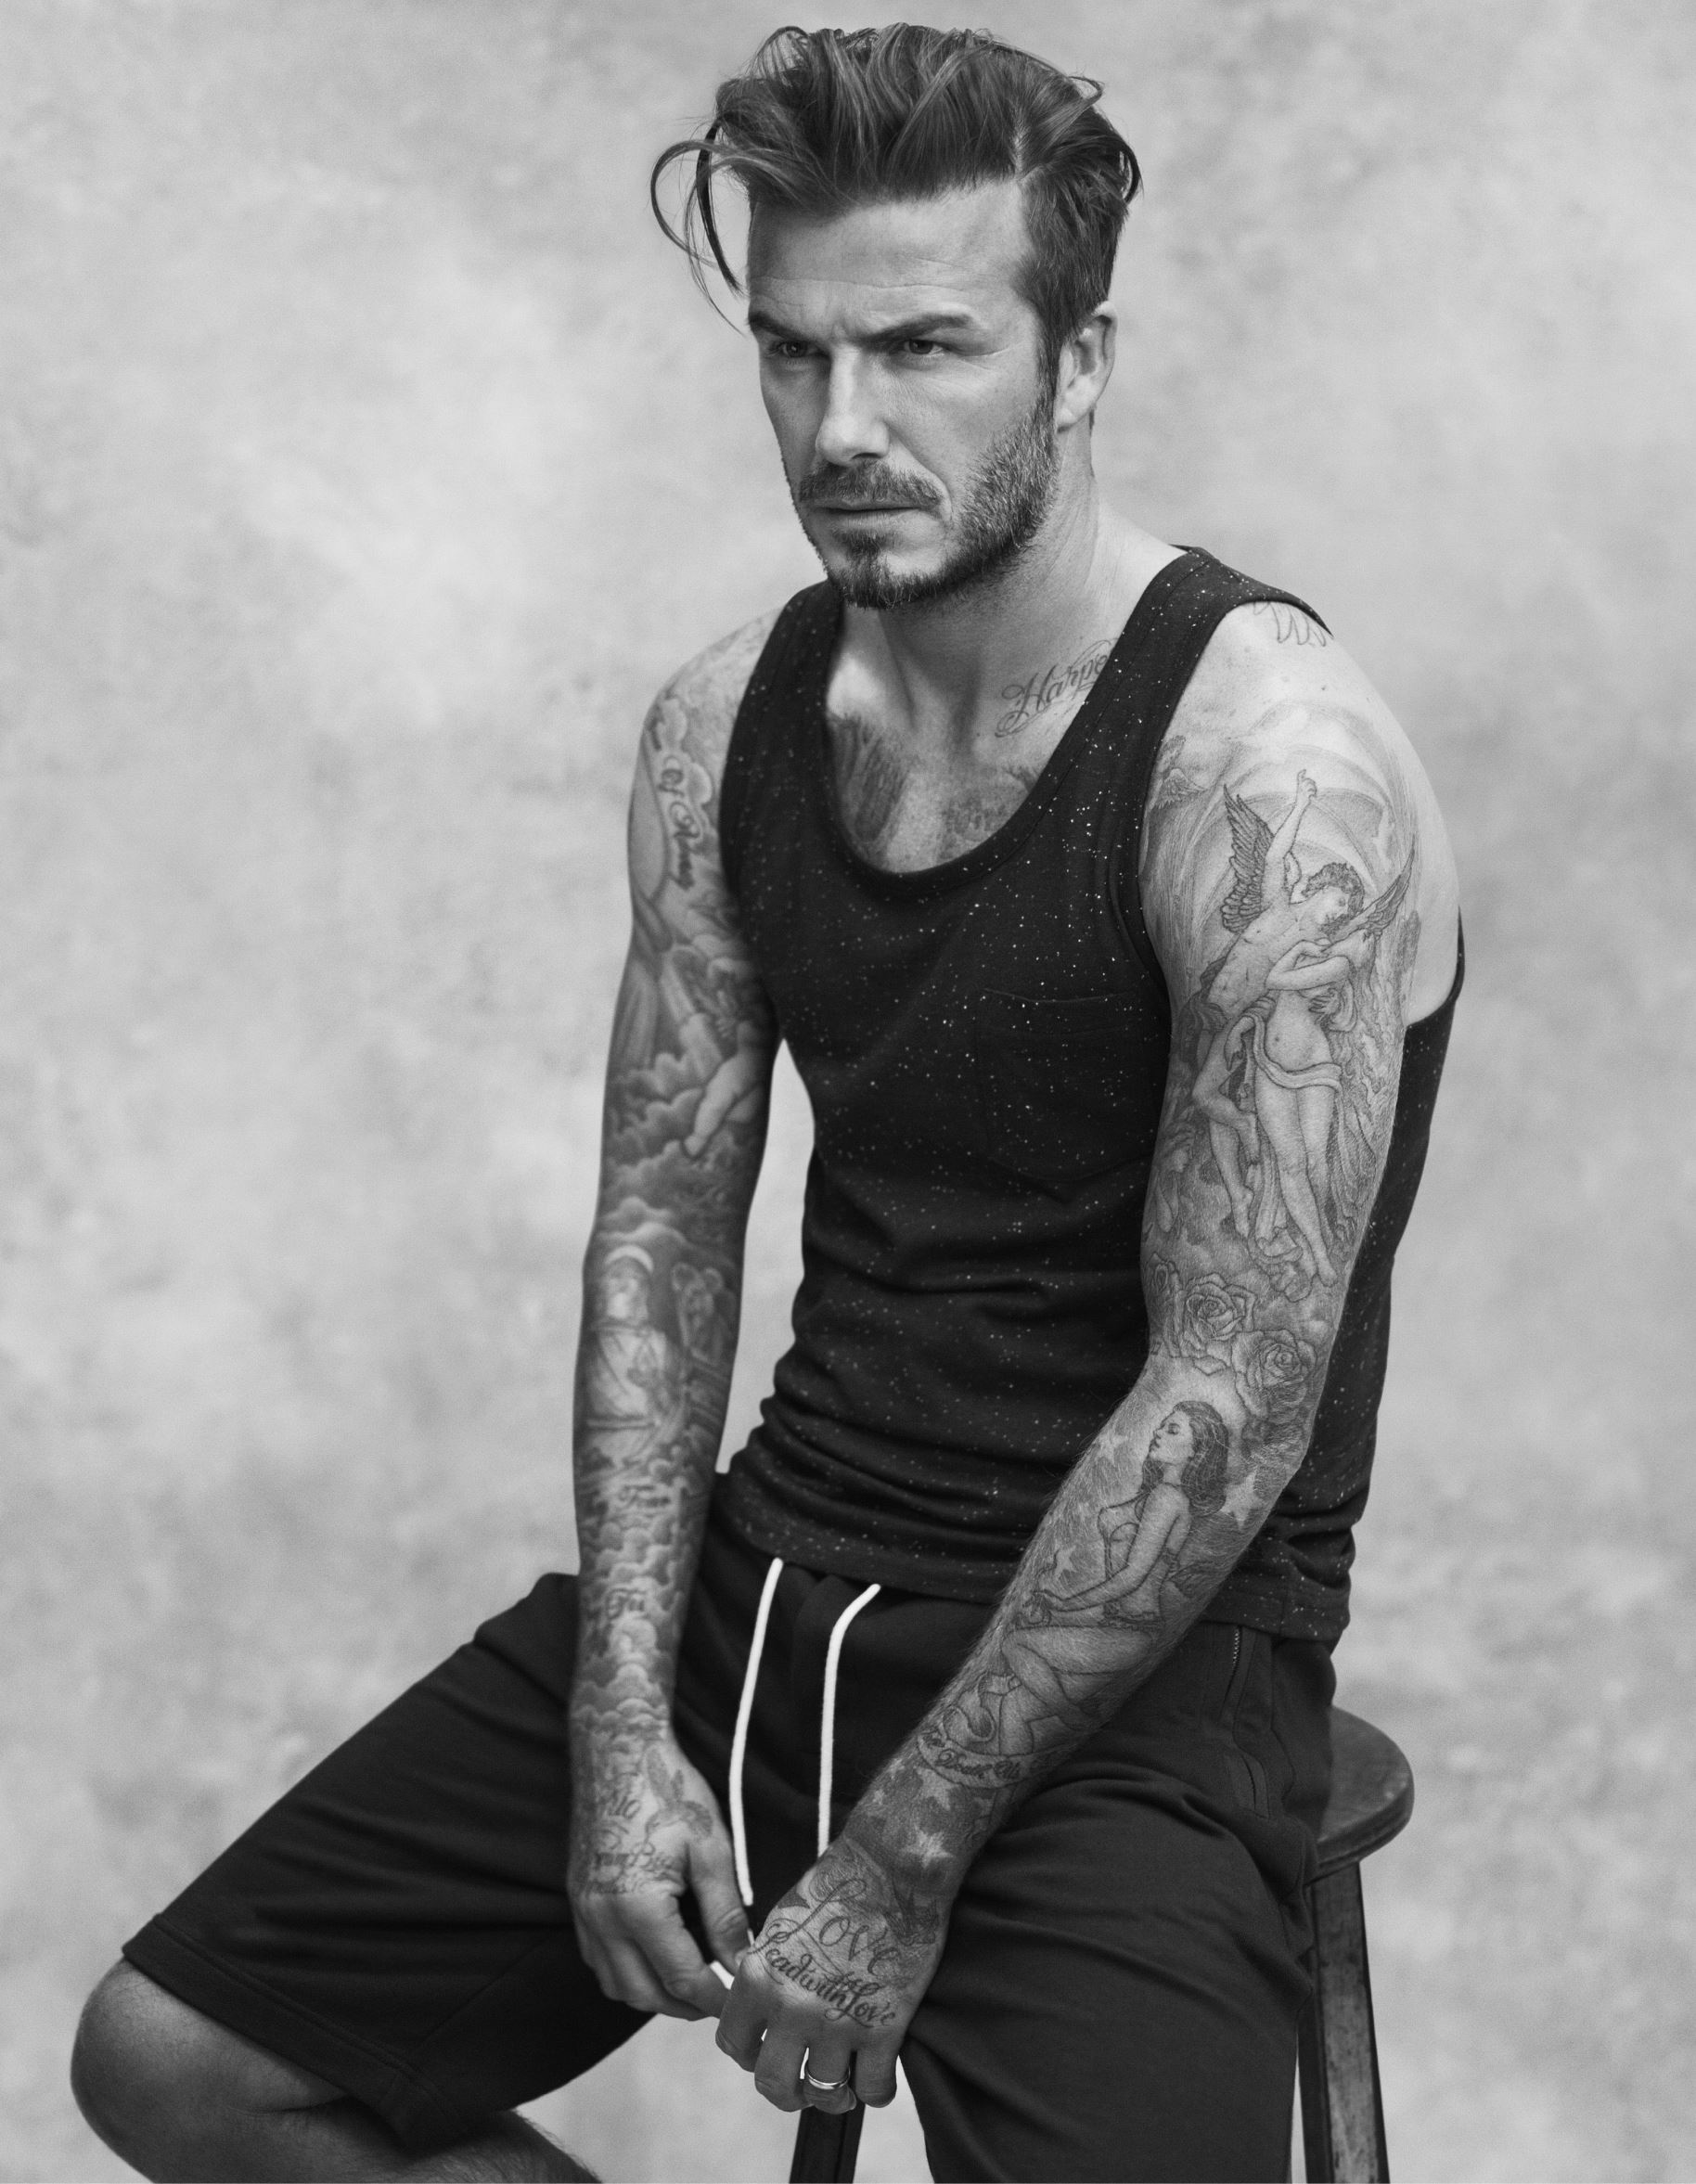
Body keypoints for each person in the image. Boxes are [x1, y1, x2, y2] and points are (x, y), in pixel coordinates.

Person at [71, 24, 1463, 2182]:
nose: (844, 427)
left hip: (1139, 1676)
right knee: (180, 2057)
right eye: (792, 353)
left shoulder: (1271, 773)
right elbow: (658, 1245)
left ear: (1077, 362)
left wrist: (900, 1854)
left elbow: (1231, 1391)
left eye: (922, 348)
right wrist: (622, 1718)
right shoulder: (723, 726)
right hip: (788, 1570)